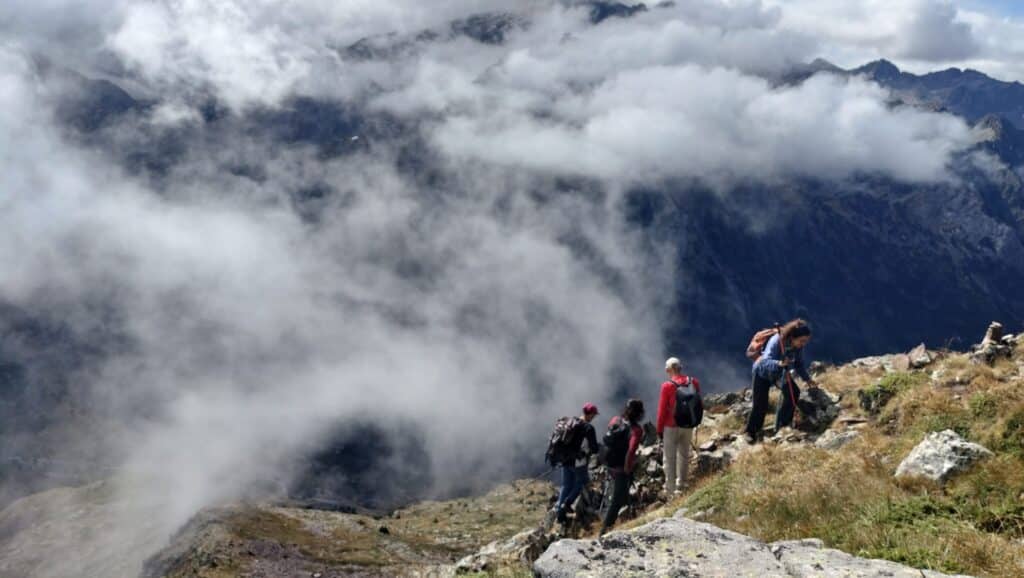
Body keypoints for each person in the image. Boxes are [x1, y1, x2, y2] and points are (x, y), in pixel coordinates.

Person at [745, 319, 819, 443]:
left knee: (793, 393)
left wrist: (807, 379)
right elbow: (764, 361)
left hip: (780, 373)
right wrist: (779, 363)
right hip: (762, 373)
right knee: (760, 404)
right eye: (802, 341)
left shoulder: (797, 346)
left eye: (805, 341)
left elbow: (799, 364)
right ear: (793, 337)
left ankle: (783, 426)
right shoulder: (776, 341)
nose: (803, 344)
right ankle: (751, 432)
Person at [600, 399, 645, 536]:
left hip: (608, 461)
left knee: (619, 493)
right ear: (640, 413)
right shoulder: (636, 430)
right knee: (617, 499)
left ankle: (625, 517)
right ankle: (605, 530)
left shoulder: (615, 420)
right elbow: (631, 451)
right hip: (621, 467)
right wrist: (627, 467)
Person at [657, 357, 701, 494]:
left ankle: (670, 490)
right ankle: (682, 483)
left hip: (671, 426)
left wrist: (659, 430)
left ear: (668, 369)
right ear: (680, 368)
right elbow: (698, 403)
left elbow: (662, 410)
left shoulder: (667, 386)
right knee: (683, 454)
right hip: (688, 424)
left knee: (669, 458)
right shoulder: (693, 381)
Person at [553, 403, 600, 524]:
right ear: (590, 414)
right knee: (582, 481)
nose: (594, 417)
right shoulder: (588, 428)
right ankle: (567, 504)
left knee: (566, 484)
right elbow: (594, 448)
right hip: (579, 461)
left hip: (565, 459)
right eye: (594, 415)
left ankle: (559, 512)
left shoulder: (572, 421)